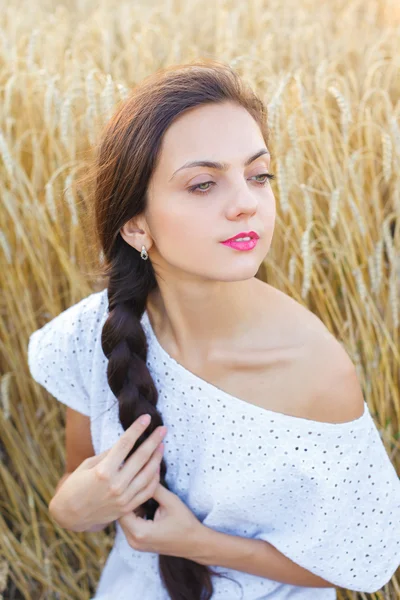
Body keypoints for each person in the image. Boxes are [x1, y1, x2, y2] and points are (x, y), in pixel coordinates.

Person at [27, 59, 400, 600]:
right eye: (203, 184)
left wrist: (200, 543)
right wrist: (69, 507)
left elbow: (362, 562)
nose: (246, 203)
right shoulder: (96, 331)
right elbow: (78, 489)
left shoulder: (314, 374)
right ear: (136, 225)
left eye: (258, 175)